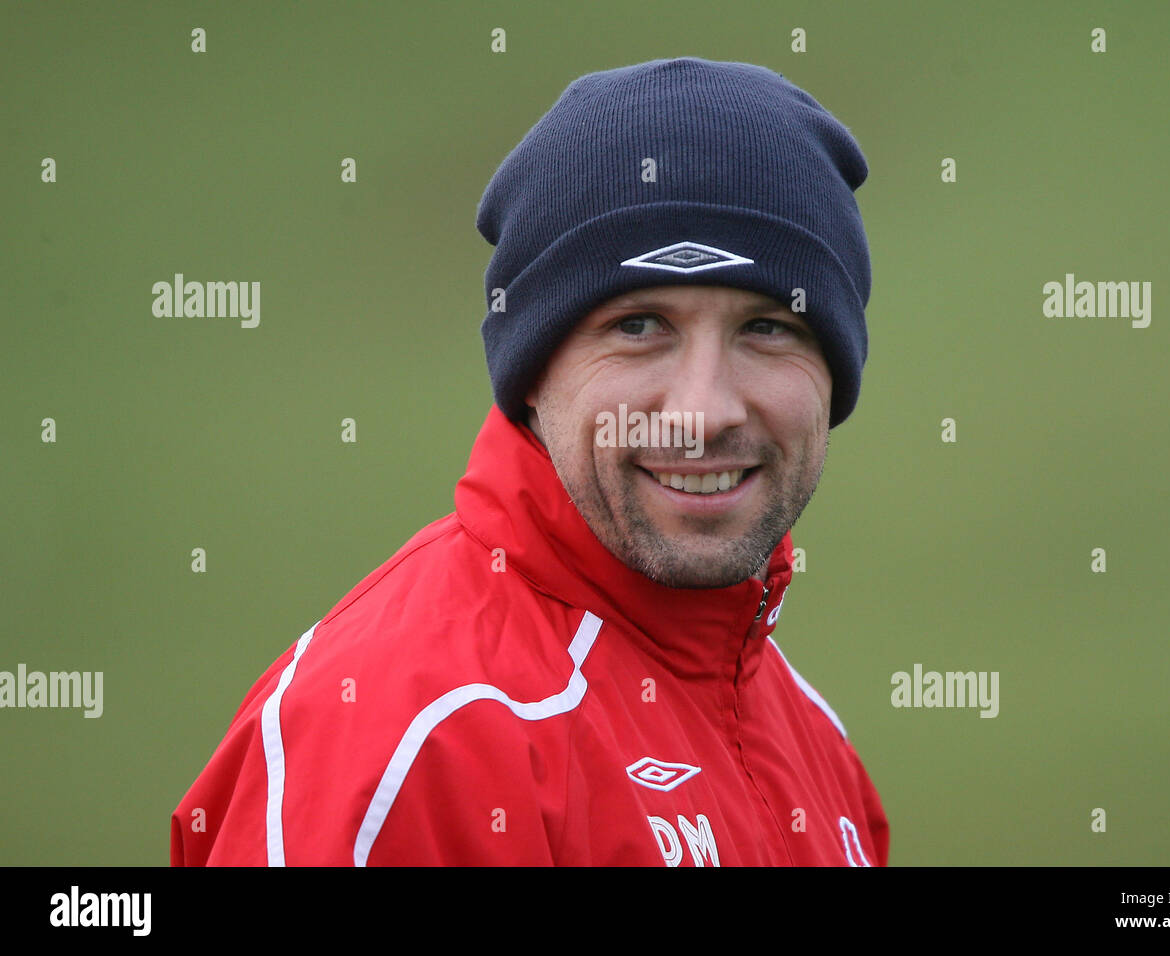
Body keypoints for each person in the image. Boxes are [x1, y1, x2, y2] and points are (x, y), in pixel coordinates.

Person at [171, 56, 887, 866]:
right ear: (533, 374)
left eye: (768, 327)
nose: (705, 412)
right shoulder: (409, 748)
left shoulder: (812, 742)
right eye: (639, 325)